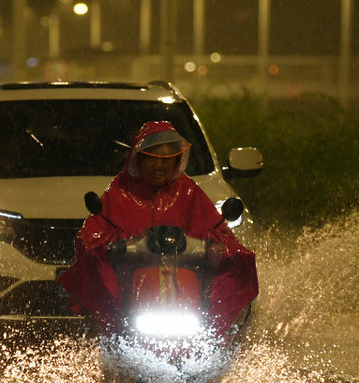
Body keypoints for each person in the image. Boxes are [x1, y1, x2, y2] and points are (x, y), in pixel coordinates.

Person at [59, 120, 258, 334]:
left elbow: (220, 233)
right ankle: (106, 341)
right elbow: (89, 236)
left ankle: (221, 337)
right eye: (152, 159)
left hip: (188, 292)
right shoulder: (119, 192)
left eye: (166, 160)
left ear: (176, 161)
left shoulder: (189, 192)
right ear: (139, 159)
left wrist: (217, 248)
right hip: (128, 293)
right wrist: (112, 246)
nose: (159, 166)